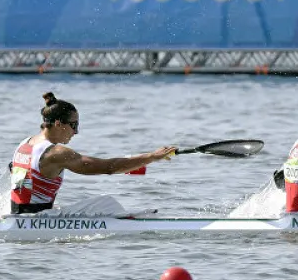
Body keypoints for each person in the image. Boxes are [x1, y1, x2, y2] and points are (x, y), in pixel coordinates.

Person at [10, 92, 177, 214]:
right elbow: (109, 167)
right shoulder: (56, 153)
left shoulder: (25, 143)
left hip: (19, 215)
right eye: (74, 125)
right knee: (106, 203)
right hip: (35, 221)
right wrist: (152, 157)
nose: (76, 132)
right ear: (59, 123)